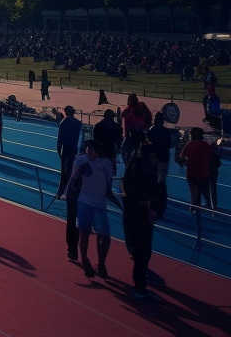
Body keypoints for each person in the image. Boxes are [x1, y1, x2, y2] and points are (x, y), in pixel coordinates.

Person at [120, 140, 166, 302]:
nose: (156, 158)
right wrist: (144, 202)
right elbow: (127, 191)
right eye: (153, 155)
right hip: (137, 216)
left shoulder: (149, 170)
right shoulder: (137, 171)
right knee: (141, 251)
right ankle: (139, 286)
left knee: (145, 251)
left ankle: (142, 279)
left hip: (145, 216)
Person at [71, 142, 118, 279]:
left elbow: (108, 189)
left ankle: (101, 263)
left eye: (91, 151)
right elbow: (74, 181)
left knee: (105, 237)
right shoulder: (80, 160)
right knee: (84, 234)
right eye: (87, 150)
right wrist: (70, 198)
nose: (88, 153)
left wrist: (119, 204)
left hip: (100, 205)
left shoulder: (106, 164)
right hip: (84, 202)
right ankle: (85, 260)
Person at [176, 128, 215, 208]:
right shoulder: (206, 145)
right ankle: (211, 209)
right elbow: (211, 156)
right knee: (206, 192)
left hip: (192, 172)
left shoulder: (189, 144)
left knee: (194, 192)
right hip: (204, 172)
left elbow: (181, 157)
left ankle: (194, 208)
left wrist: (186, 163)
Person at [54, 106, 82, 200]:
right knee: (71, 171)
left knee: (64, 173)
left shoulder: (64, 123)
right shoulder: (78, 123)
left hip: (65, 149)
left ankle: (60, 192)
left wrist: (59, 151)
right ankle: (68, 191)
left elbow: (60, 139)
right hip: (73, 149)